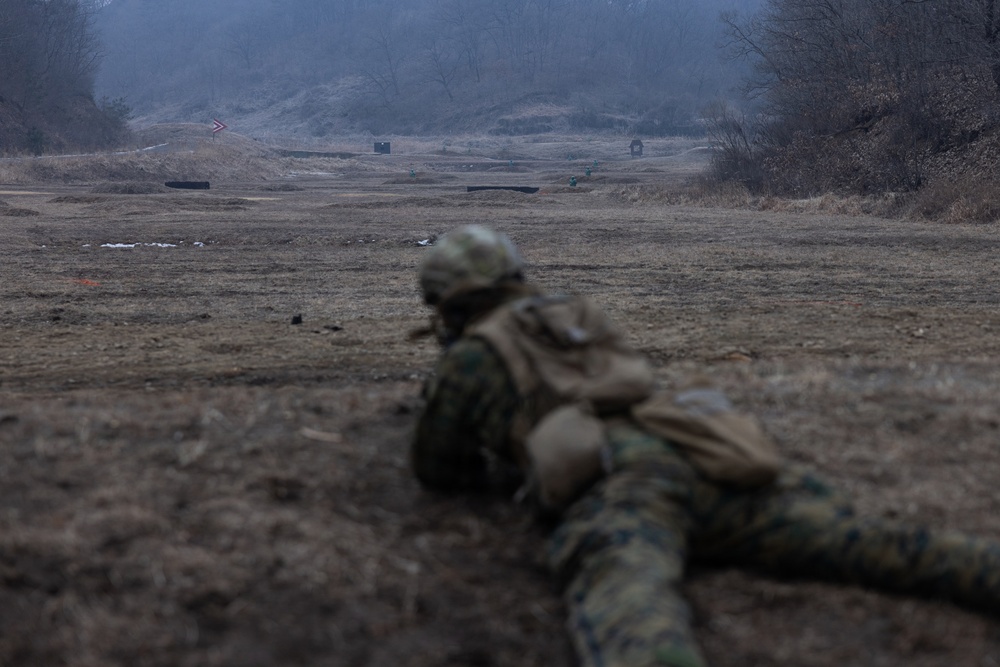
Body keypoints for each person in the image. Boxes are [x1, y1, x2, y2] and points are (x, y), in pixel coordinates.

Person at [411, 224, 1000, 667]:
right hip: (698, 452)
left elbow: (438, 469)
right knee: (869, 544)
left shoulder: (469, 358)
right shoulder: (575, 315)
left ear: (447, 303)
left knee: (630, 605)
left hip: (622, 488)